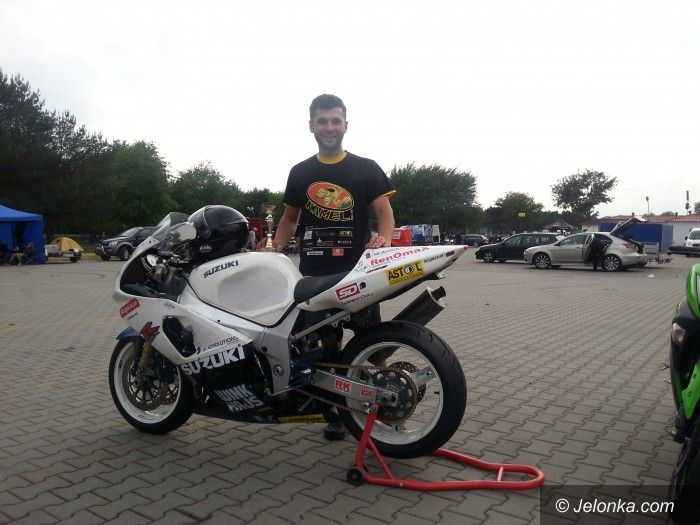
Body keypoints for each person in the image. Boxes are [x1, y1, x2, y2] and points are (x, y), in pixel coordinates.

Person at [265, 94, 396, 440]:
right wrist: (273, 248)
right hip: (314, 277)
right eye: (322, 121)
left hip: (358, 274)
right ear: (311, 126)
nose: (329, 127)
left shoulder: (366, 168)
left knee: (373, 342)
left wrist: (384, 238)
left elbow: (384, 211)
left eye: (335, 120)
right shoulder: (300, 172)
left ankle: (388, 402)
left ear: (346, 125)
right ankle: (334, 413)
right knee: (324, 349)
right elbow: (289, 219)